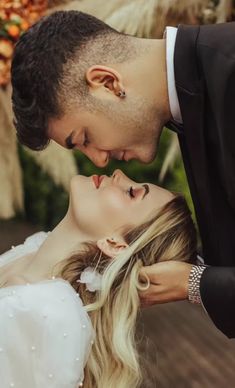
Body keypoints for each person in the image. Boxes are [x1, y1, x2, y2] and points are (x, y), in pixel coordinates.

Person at [11, 11, 235, 338]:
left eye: (84, 139)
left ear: (107, 82)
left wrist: (197, 283)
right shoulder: (199, 97)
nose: (100, 162)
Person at [0, 169, 197, 387]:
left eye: (132, 192)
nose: (119, 173)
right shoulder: (30, 249)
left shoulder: (54, 314)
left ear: (115, 244)